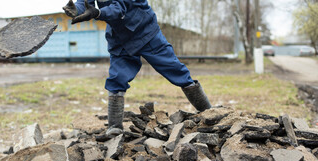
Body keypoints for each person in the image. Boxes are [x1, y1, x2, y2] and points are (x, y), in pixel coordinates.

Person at [63, 0, 212, 136]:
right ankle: (114, 127)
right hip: (120, 37)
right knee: (117, 78)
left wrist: (98, 13)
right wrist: (77, 9)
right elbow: (86, 3)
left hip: (144, 30)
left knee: (174, 69)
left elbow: (119, 8)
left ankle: (208, 112)